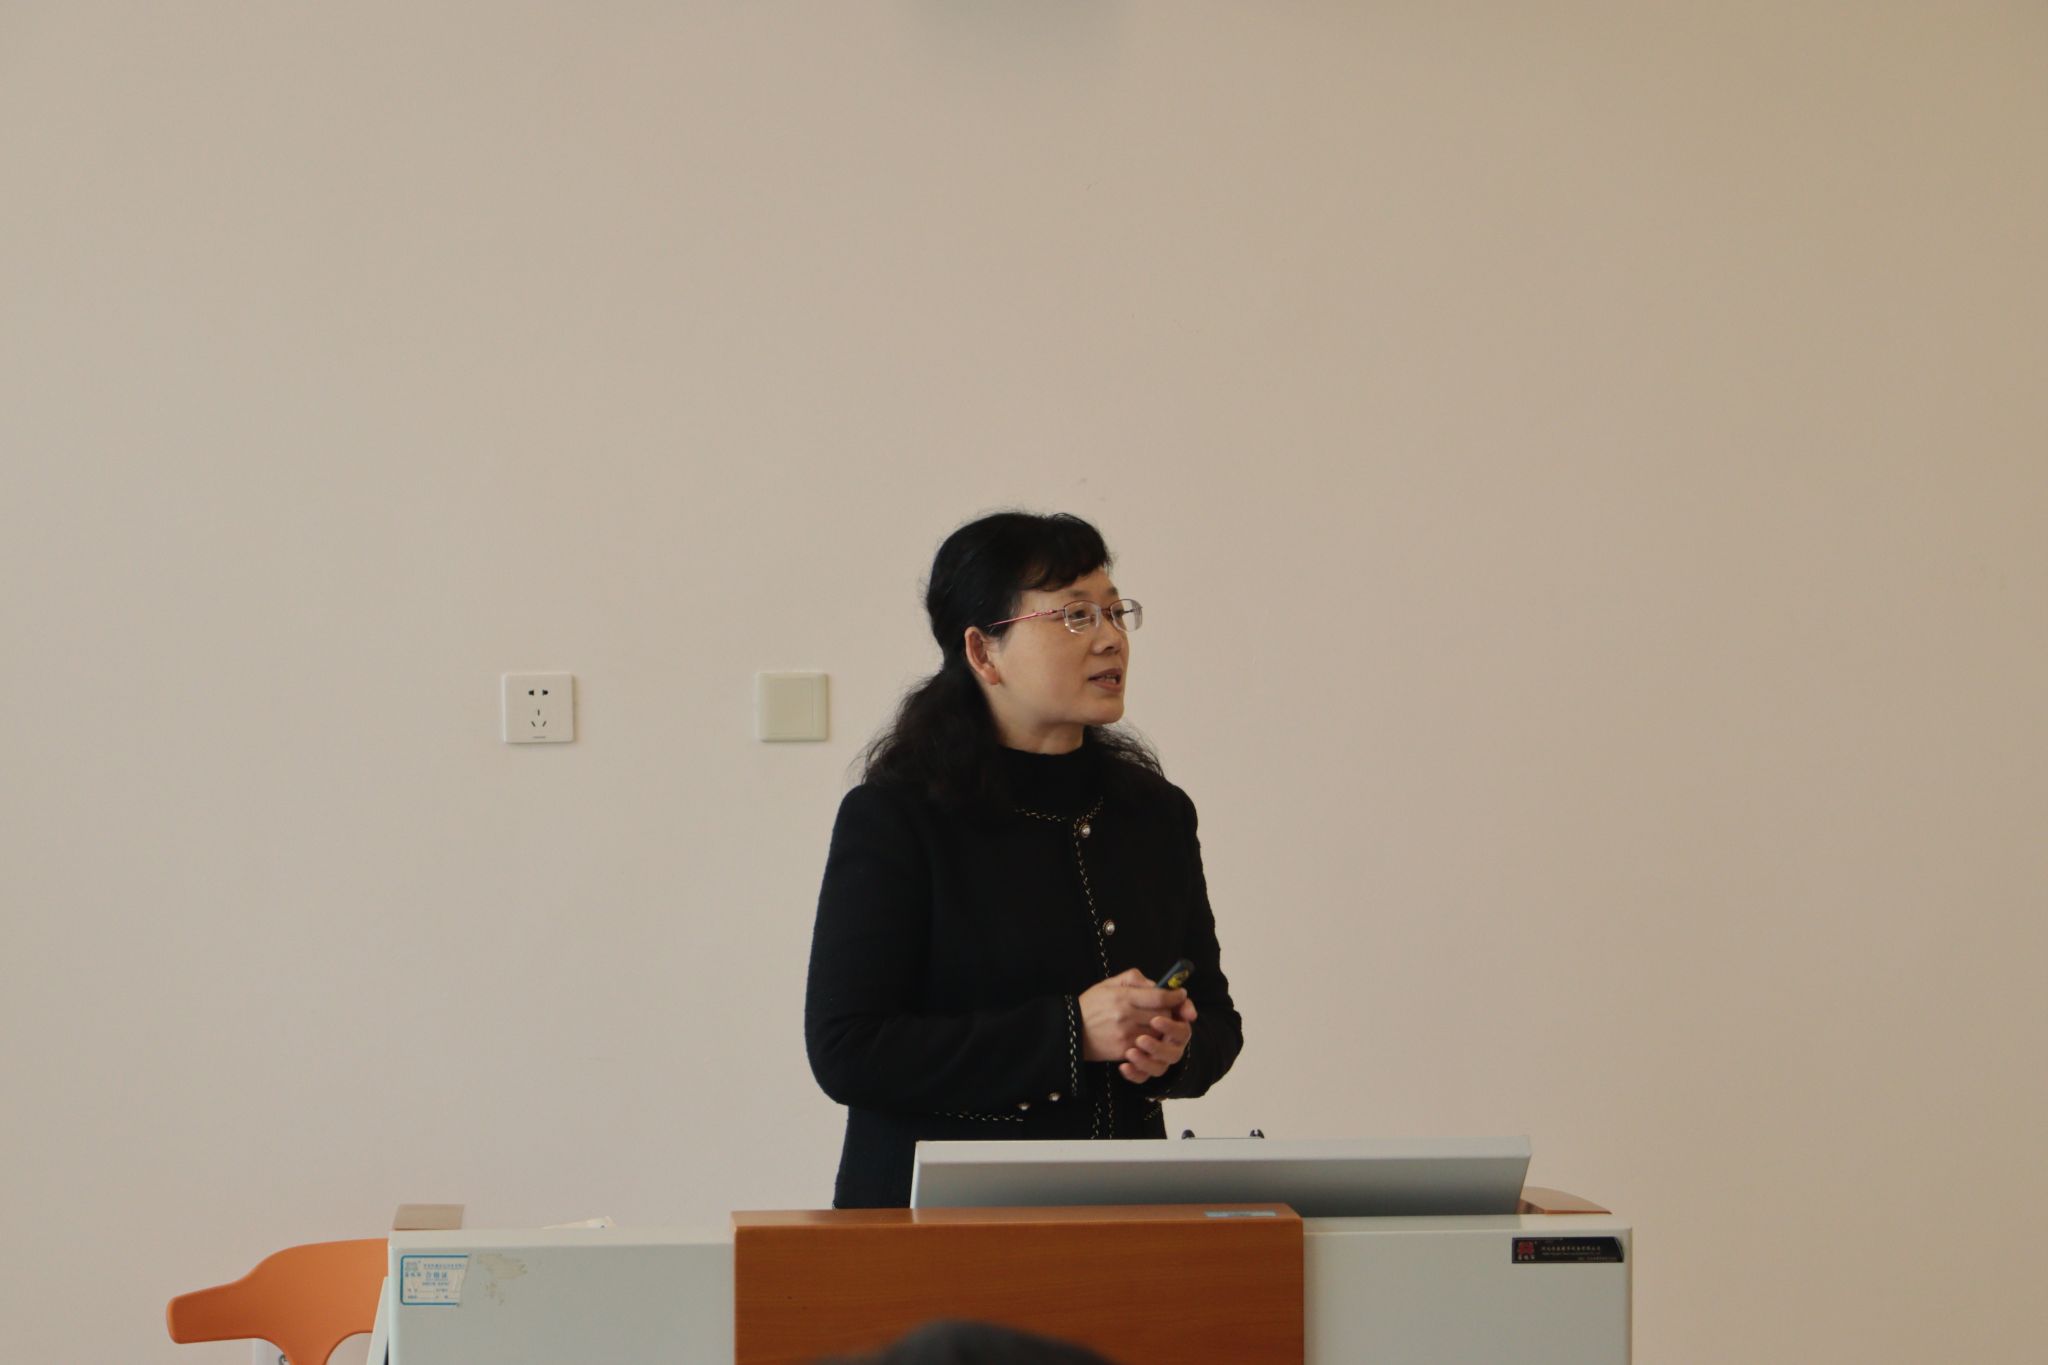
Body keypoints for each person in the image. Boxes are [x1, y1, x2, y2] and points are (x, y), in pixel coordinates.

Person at [805, 510, 1243, 1209]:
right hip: (934, 1224)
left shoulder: (1155, 814)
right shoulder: (897, 816)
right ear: (983, 652)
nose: (1110, 637)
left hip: (1124, 1215)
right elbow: (847, 1049)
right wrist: (1071, 1033)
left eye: (1114, 611)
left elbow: (1216, 1018)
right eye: (1074, 615)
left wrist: (1174, 1051)